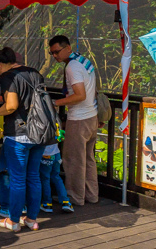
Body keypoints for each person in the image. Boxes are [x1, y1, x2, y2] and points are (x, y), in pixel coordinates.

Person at [0, 46, 45, 232]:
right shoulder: (35, 73)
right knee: (34, 177)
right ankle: (31, 219)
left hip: (18, 134)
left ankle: (13, 221)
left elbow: (11, 106)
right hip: (39, 133)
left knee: (18, 179)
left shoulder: (9, 76)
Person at [49, 35, 100, 207]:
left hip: (79, 119)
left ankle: (75, 197)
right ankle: (92, 195)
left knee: (73, 160)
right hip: (92, 116)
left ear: (68, 48)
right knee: (88, 159)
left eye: (57, 52)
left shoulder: (72, 67)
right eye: (52, 53)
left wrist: (55, 102)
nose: (55, 56)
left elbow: (79, 95)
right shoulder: (84, 61)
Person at [39, 143, 73, 214]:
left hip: (45, 155)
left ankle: (47, 203)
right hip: (57, 154)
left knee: (45, 179)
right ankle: (66, 202)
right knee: (56, 177)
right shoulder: (55, 130)